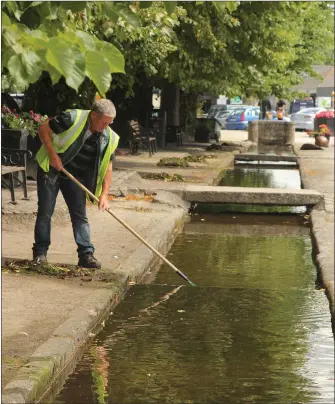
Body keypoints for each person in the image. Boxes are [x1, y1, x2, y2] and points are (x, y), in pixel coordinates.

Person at [32, 99, 119, 269]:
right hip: (51, 169)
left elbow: (108, 167)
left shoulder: (110, 137)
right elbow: (42, 128)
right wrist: (53, 155)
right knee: (45, 212)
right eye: (104, 122)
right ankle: (40, 254)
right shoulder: (71, 118)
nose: (106, 126)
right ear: (93, 115)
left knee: (79, 214)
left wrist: (104, 195)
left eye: (109, 123)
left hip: (75, 175)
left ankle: (86, 255)